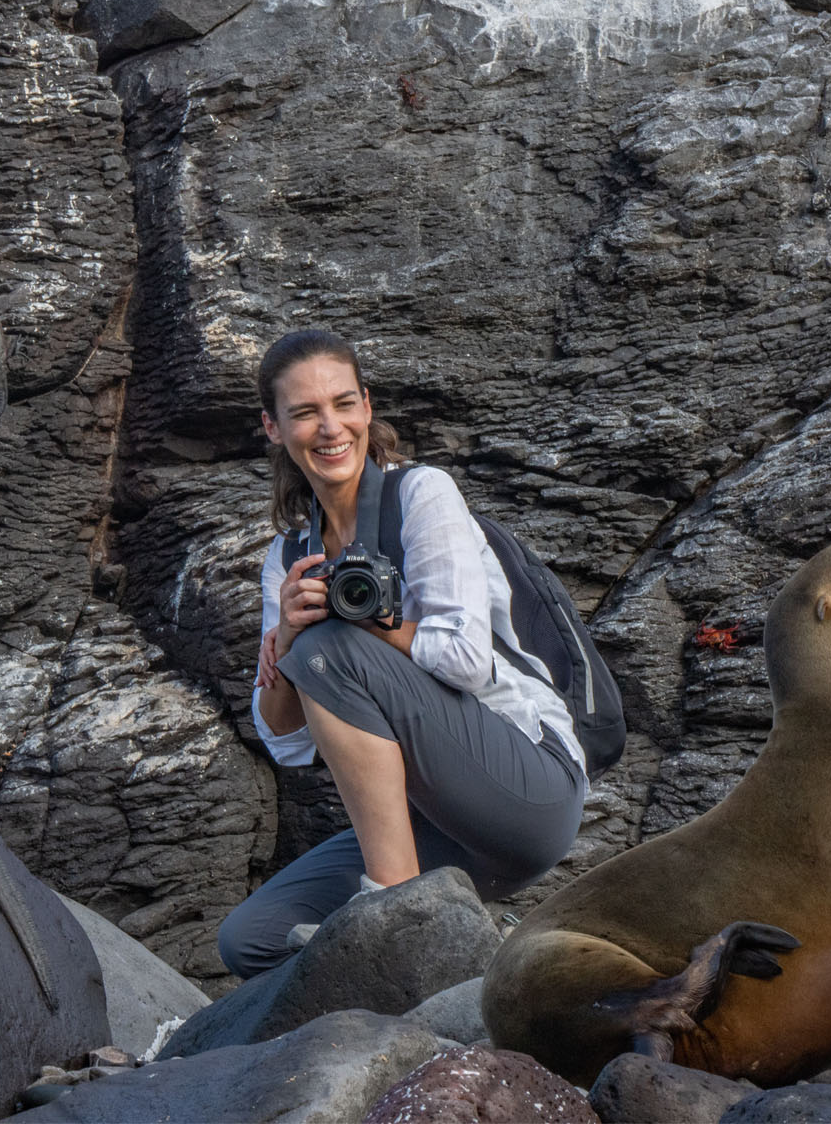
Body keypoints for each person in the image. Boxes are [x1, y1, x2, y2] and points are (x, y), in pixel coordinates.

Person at [217, 329, 588, 978]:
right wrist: (291, 635)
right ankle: (459, 946)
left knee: (330, 650)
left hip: (529, 785)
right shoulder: (289, 555)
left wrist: (365, 627)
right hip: (440, 825)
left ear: (367, 406)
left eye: (343, 404)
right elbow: (282, 738)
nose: (329, 427)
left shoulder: (422, 495)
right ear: (273, 429)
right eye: (304, 413)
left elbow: (468, 660)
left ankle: (397, 910)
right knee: (249, 940)